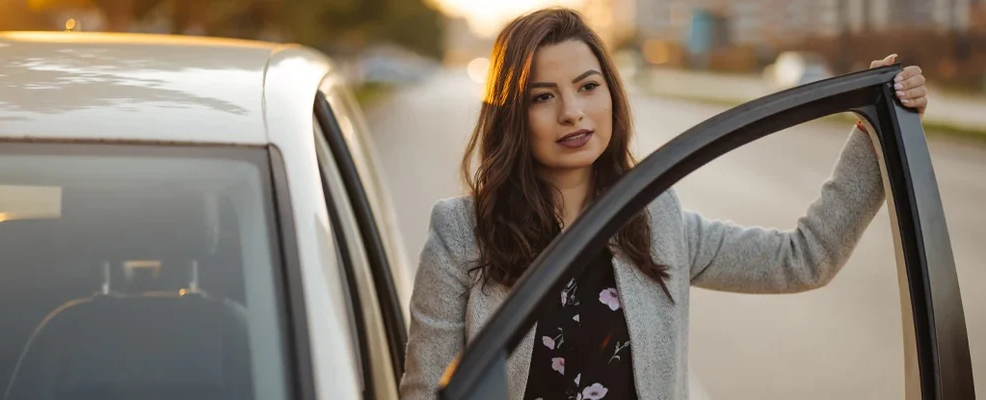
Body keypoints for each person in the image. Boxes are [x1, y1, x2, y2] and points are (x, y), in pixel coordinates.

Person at [398, 7, 929, 400]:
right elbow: (425, 393)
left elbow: (804, 259)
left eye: (587, 86)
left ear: (611, 95)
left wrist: (875, 129)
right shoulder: (461, 233)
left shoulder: (656, 220)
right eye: (543, 96)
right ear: (513, 113)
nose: (572, 112)